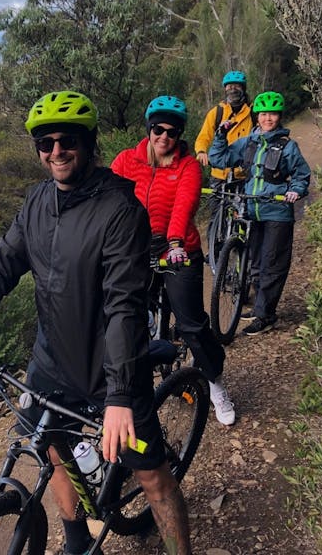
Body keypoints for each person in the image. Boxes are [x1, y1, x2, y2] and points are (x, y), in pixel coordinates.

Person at [0, 90, 192, 555]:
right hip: (53, 358)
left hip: (112, 365)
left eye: (67, 140)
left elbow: (124, 305)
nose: (56, 151)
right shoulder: (37, 202)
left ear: (88, 141)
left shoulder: (120, 210)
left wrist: (120, 394)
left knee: (152, 475)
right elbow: (2, 265)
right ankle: (79, 539)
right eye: (45, 143)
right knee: (50, 447)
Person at [110, 95, 236, 427]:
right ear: (148, 128)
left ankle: (215, 383)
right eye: (158, 129)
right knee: (128, 319)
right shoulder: (126, 161)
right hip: (137, 252)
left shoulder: (188, 165)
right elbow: (110, 202)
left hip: (178, 251)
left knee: (192, 324)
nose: (164, 137)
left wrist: (175, 241)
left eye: (172, 132)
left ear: (180, 135)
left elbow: (185, 203)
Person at [208, 91, 311, 336]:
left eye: (272, 114)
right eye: (263, 114)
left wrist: (295, 190)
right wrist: (221, 135)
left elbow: (301, 175)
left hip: (277, 212)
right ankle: (259, 306)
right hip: (251, 209)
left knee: (271, 264)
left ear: (279, 116)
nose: (268, 118)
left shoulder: (288, 147)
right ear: (257, 116)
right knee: (255, 262)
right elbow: (219, 159)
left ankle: (266, 315)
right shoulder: (249, 142)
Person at [194, 70, 253, 176]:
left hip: (245, 174)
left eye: (237, 86)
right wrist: (201, 151)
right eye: (229, 86)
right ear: (225, 89)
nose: (233, 90)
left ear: (243, 88)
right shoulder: (217, 112)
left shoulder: (252, 112)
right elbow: (203, 136)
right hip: (219, 173)